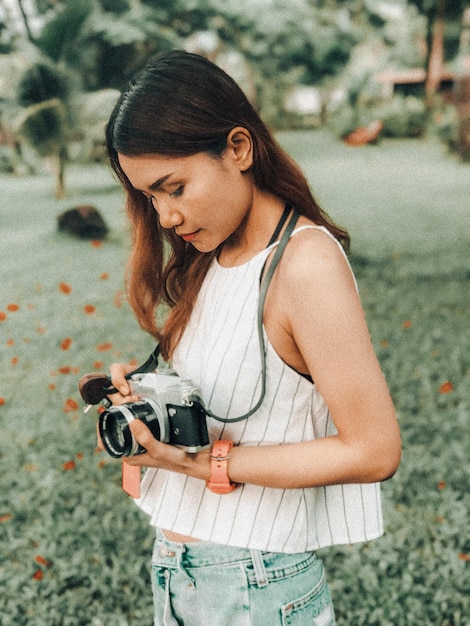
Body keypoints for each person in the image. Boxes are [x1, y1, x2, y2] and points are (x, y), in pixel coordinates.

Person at [104, 50, 401, 626]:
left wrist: (203, 464)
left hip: (257, 588)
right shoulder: (212, 256)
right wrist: (149, 407)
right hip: (179, 571)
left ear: (238, 148)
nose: (164, 216)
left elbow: (374, 449)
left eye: (175, 187)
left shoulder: (305, 264)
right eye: (150, 197)